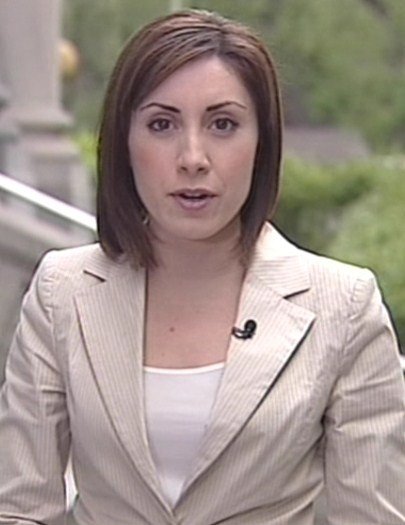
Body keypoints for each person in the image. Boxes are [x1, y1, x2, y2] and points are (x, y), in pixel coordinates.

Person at [0, 9, 404, 525]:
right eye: (162, 125)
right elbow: (21, 507)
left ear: (262, 144)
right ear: (123, 142)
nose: (193, 157)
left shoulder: (342, 306)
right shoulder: (62, 292)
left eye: (223, 125)